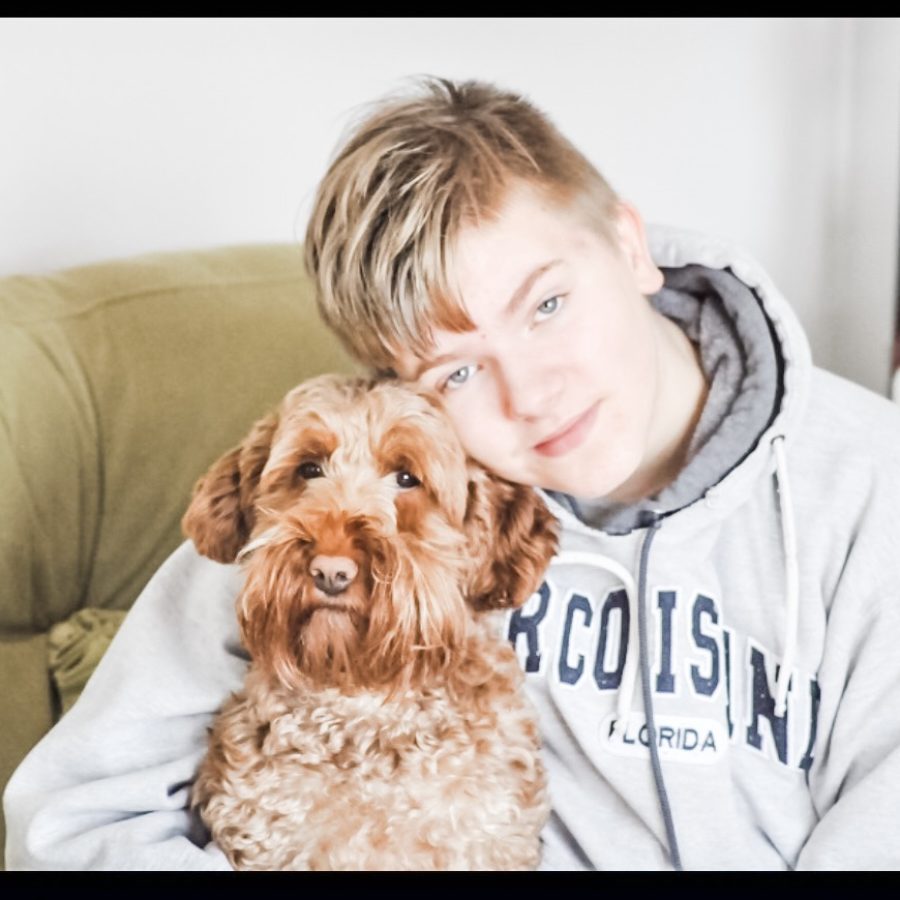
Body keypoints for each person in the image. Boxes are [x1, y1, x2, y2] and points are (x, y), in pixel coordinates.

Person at [6, 76, 900, 871]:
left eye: (547, 305)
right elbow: (74, 816)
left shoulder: (866, 490)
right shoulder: (370, 501)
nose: (531, 394)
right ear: (400, 384)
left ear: (629, 245)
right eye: (457, 371)